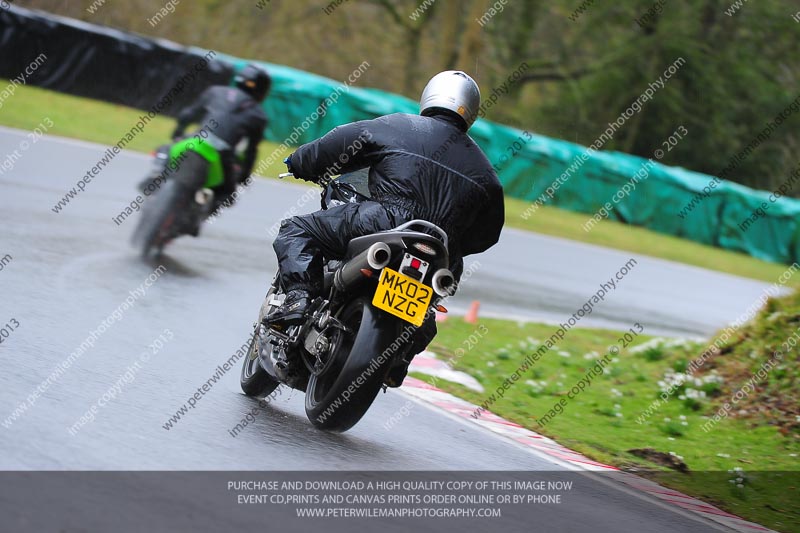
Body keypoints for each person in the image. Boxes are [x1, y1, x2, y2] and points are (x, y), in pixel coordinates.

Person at [269, 70, 505, 385]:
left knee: (296, 230)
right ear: (471, 111)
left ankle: (298, 298)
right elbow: (487, 235)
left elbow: (342, 141)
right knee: (429, 309)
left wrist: (302, 161)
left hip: (383, 220)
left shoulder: (401, 125)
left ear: (430, 95)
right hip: (442, 251)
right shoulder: (485, 170)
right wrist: (455, 241)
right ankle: (399, 356)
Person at [167, 63, 270, 230]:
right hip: (223, 153)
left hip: (193, 140)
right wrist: (244, 176)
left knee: (165, 151)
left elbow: (188, 114)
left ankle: (154, 178)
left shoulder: (215, 91)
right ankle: (195, 221)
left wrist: (177, 133)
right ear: (262, 90)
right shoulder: (259, 115)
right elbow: (251, 151)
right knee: (228, 194)